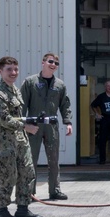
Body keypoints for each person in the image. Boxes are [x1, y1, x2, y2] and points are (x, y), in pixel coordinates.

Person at [0, 57, 43, 217]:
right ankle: (3, 211)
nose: (13, 73)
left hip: (20, 141)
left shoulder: (15, 90)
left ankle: (23, 208)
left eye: (15, 69)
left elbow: (18, 114)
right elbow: (3, 118)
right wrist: (25, 126)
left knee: (27, 173)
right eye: (9, 69)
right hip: (5, 143)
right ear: (0, 71)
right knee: (6, 176)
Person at [20, 53, 73, 200]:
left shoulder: (60, 85)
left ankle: (54, 190)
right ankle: (29, 191)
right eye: (51, 61)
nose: (53, 65)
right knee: (31, 159)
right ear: (43, 62)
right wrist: (23, 124)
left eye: (56, 63)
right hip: (34, 126)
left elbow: (65, 105)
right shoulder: (30, 82)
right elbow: (22, 104)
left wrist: (68, 122)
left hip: (51, 126)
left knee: (54, 159)